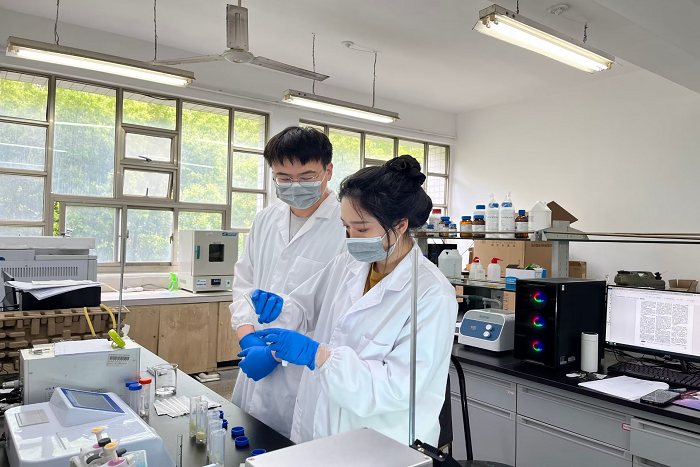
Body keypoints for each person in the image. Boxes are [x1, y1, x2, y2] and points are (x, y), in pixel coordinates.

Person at [249, 155, 458, 446]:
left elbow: (397, 388)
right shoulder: (348, 263)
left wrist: (319, 357)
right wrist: (282, 307)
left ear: (400, 225)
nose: (351, 238)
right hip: (320, 423)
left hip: (380, 443)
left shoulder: (431, 294)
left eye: (361, 229)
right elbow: (307, 307)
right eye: (345, 227)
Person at [230, 126, 346, 437]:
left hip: (305, 369)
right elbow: (244, 285)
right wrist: (248, 339)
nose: (295, 186)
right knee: (249, 442)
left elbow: (340, 313)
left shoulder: (346, 228)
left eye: (307, 177)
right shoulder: (265, 220)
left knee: (297, 448)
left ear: (328, 171)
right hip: (255, 358)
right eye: (284, 178)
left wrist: (275, 353)